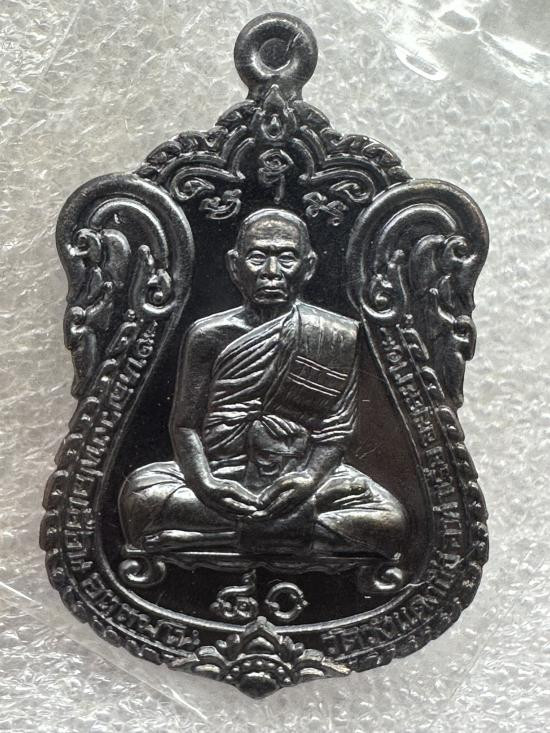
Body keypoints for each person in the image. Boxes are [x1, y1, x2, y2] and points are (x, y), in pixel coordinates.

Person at [119, 208, 407, 559]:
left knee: (392, 521)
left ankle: (212, 538)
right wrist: (206, 484)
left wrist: (309, 479)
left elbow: (337, 431)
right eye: (258, 257)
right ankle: (287, 534)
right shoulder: (208, 335)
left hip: (300, 480)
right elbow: (184, 425)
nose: (271, 272)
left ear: (309, 266)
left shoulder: (334, 335)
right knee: (141, 496)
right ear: (235, 265)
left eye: (286, 257)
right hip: (222, 476)